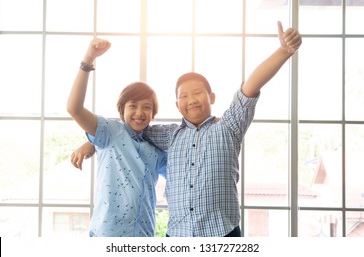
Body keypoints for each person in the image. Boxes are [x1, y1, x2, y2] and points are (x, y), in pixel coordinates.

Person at [71, 21, 302, 237]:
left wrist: (283, 51)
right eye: (184, 96)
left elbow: (250, 87)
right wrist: (92, 142)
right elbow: (127, 129)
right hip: (175, 236)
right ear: (177, 105)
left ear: (211, 96)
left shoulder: (228, 127)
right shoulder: (168, 135)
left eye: (198, 93)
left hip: (221, 233)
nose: (191, 99)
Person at [67, 38, 167, 237]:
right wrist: (88, 60)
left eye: (146, 107)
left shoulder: (156, 148)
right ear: (121, 109)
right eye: (132, 106)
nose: (139, 112)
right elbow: (74, 109)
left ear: (153, 113)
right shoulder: (110, 131)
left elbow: (183, 169)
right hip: (107, 234)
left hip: (143, 236)